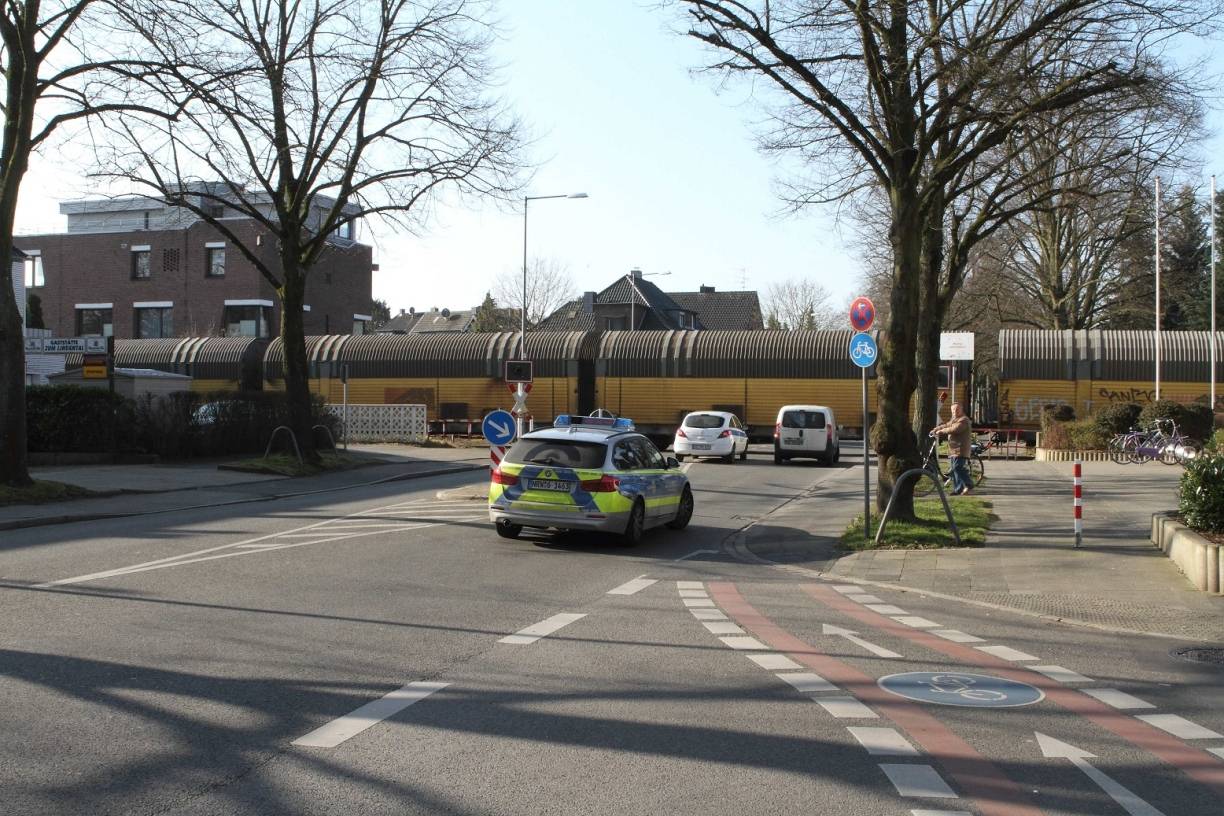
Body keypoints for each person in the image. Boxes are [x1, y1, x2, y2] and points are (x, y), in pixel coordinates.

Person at [930, 403, 974, 495]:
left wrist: (941, 431)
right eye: (953, 410)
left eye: (957, 410)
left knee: (957, 467)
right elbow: (946, 425)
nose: (954, 412)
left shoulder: (964, 420)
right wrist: (935, 429)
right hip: (954, 449)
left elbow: (954, 429)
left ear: (961, 410)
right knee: (954, 470)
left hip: (960, 449)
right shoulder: (955, 419)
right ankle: (958, 489)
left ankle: (969, 484)